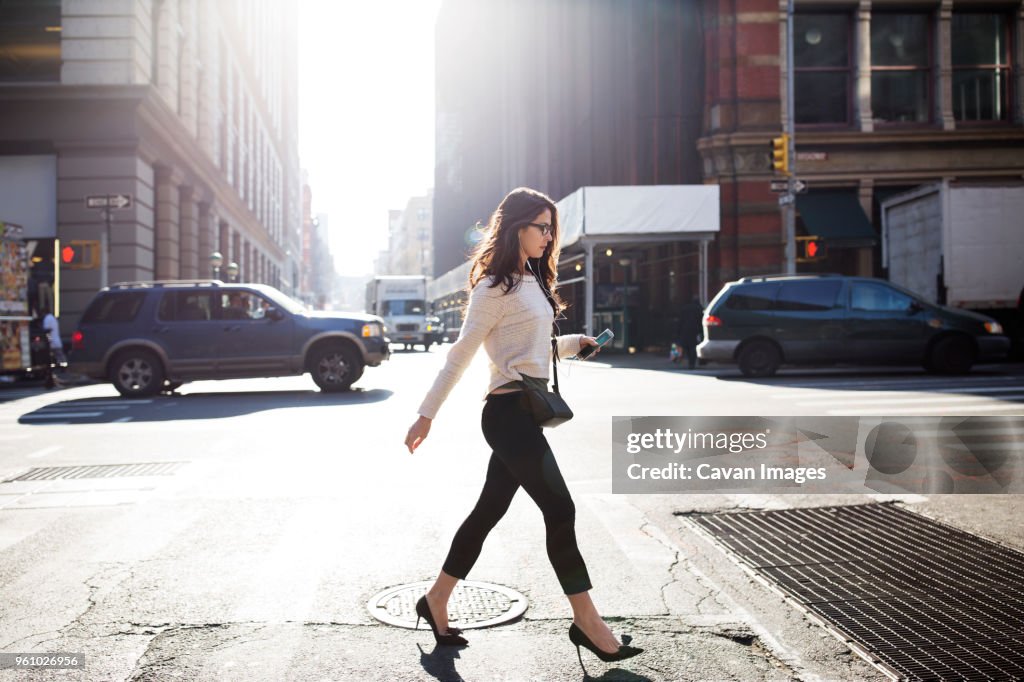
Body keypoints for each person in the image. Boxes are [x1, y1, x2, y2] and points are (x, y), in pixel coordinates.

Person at [404, 187, 644, 670]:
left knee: (488, 511)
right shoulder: (493, 287)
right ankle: (588, 623)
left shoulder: (531, 279)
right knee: (560, 507)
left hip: (525, 412)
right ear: (516, 227)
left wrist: (576, 342)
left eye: (552, 227)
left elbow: (531, 348)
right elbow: (462, 355)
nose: (549, 236)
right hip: (507, 416)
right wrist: (426, 412)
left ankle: (436, 600)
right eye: (542, 226)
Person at [676, 296, 704, 370]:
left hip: (684, 330)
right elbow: (701, 321)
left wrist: (678, 331)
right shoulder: (700, 309)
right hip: (695, 331)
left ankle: (688, 362)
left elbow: (680, 321)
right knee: (693, 347)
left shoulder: (685, 308)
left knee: (687, 347)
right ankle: (692, 363)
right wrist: (701, 331)